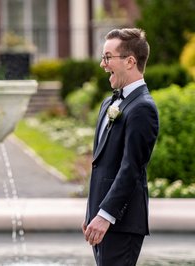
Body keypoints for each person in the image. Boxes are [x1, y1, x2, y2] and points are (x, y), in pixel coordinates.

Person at [82, 28, 159, 266]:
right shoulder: (109, 102)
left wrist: (106, 215)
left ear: (130, 61)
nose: (103, 64)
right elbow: (102, 165)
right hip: (102, 219)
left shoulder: (142, 108)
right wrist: (93, 211)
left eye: (107, 57)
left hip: (121, 222)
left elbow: (131, 169)